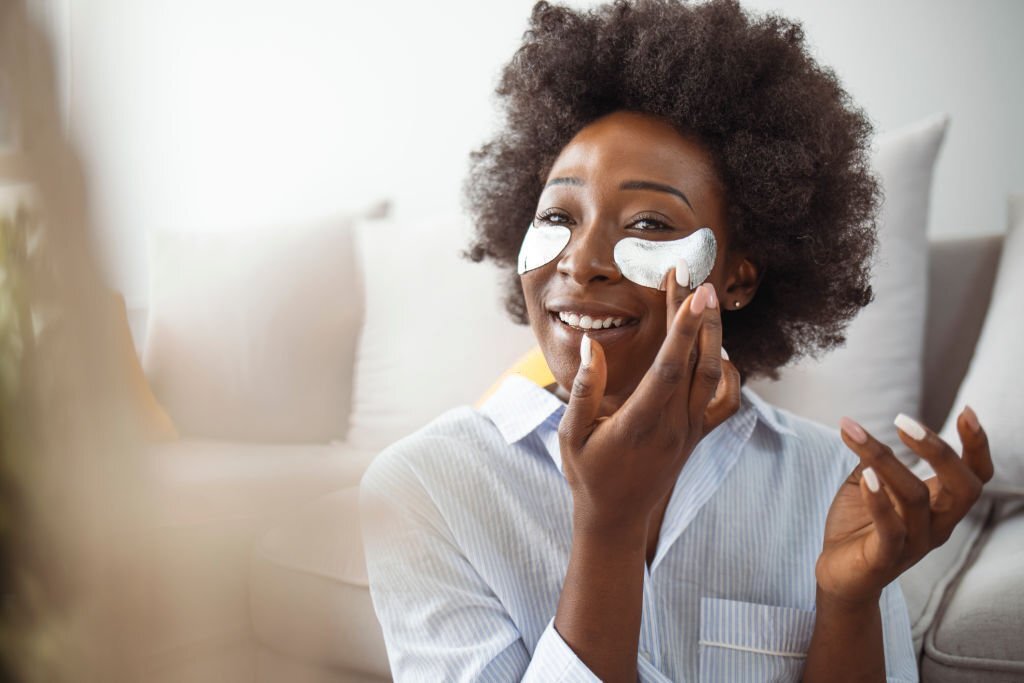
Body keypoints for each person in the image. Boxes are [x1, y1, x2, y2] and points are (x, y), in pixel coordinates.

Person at [360, 1, 994, 681]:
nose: (582, 260)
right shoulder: (426, 484)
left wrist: (848, 602)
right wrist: (608, 527)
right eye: (556, 215)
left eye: (650, 222)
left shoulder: (826, 485)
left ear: (740, 275)